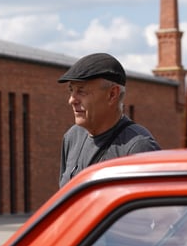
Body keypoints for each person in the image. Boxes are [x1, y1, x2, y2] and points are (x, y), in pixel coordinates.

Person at [58, 52, 161, 188]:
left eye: (81, 91)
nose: (72, 100)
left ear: (112, 94)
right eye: (71, 91)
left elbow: (151, 208)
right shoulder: (72, 137)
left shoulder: (139, 148)